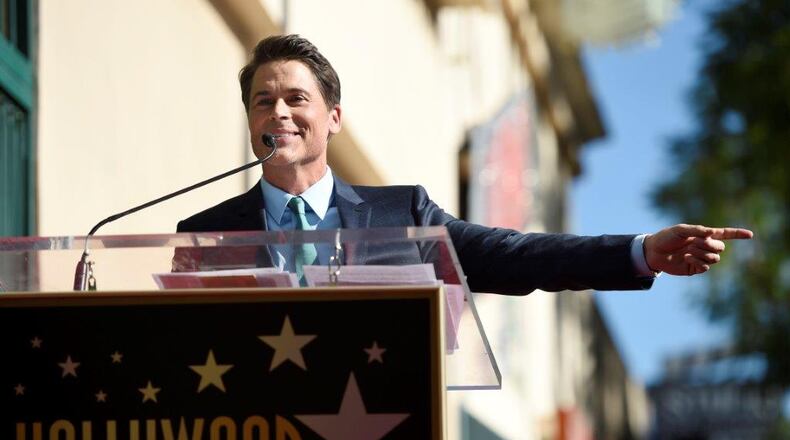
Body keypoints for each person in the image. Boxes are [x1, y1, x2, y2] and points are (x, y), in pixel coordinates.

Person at [177, 34, 752, 294]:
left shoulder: (402, 213)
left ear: (333, 118)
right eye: (263, 101)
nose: (278, 113)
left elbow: (514, 255)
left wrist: (639, 250)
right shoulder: (203, 236)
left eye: (296, 99)